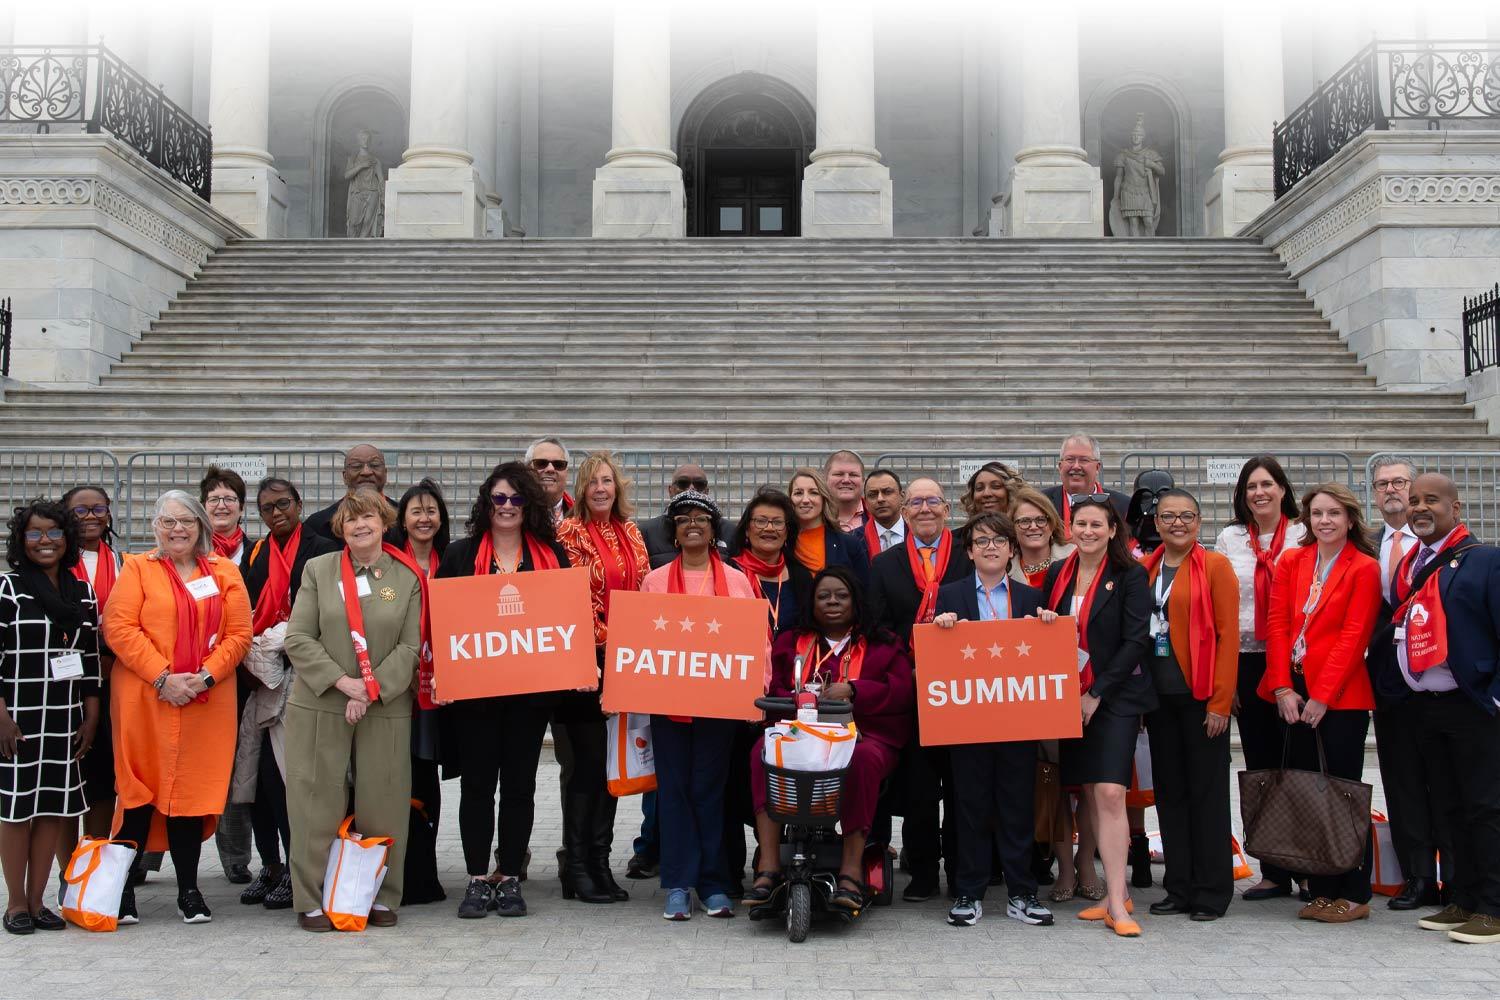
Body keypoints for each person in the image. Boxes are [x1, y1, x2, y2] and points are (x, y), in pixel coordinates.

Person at [101, 490, 253, 925]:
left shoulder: (223, 571)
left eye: (186, 521)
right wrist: (163, 678)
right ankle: (123, 889)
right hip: (145, 700)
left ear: (202, 526)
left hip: (206, 699)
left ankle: (189, 889)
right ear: (155, 527)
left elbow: (239, 634)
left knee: (189, 794)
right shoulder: (138, 569)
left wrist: (203, 678)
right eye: (168, 522)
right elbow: (119, 626)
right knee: (138, 792)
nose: (178, 530)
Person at [437, 462, 571, 920]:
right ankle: (477, 877)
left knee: (519, 789)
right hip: (475, 696)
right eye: (499, 498)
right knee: (476, 787)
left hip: (529, 698)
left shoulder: (552, 556)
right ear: (486, 503)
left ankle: (510, 875)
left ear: (529, 504)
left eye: (516, 499)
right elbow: (443, 623)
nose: (508, 507)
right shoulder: (460, 556)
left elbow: (565, 623)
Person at [283, 487, 421, 931]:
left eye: (370, 518)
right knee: (314, 799)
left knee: (385, 799)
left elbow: (411, 646)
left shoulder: (407, 576)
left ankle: (382, 893)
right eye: (351, 520)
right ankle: (309, 898)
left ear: (385, 524)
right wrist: (346, 685)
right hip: (322, 701)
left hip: (384, 704)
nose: (361, 525)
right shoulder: (319, 570)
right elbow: (298, 637)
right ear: (341, 528)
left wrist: (372, 689)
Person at [1375, 474, 1500, 944]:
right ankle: (1463, 898)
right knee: (1448, 807)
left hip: (1474, 706)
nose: (1420, 508)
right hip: (1426, 706)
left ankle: (1493, 905)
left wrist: (1494, 696)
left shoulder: (1485, 561)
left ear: (1456, 505)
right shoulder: (1410, 564)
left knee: (1485, 808)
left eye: (1431, 500)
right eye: (1414, 502)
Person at [746, 567, 912, 910]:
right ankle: (769, 863)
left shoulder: (883, 643)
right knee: (762, 750)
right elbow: (772, 687)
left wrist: (854, 690)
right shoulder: (791, 642)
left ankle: (851, 869)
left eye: (841, 595)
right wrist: (800, 695)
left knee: (863, 759)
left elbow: (902, 691)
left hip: (863, 737)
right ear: (812, 603)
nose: (832, 602)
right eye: (824, 596)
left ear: (856, 601)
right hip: (800, 733)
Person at [1260, 482, 1380, 924]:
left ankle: (1355, 890)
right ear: (1306, 520)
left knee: (1344, 794)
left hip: (1341, 698)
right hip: (1292, 690)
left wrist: (1323, 696)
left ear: (1350, 519)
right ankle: (1323, 888)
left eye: (1333, 513)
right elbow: (1274, 627)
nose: (1325, 521)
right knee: (1310, 795)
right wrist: (1281, 688)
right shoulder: (1293, 561)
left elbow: (1354, 637)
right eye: (1316, 514)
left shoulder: (1364, 568)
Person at [639, 491, 762, 920]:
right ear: (673, 530)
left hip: (719, 706)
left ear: (714, 531)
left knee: (710, 792)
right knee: (673, 791)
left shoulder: (738, 580)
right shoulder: (655, 581)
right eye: (684, 518)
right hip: (668, 704)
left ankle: (712, 882)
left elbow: (755, 642)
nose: (693, 524)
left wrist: (755, 693)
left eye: (702, 519)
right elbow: (641, 642)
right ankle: (676, 882)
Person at [932, 512, 1055, 928]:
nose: (990, 547)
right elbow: (934, 649)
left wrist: (1047, 626)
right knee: (969, 806)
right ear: (969, 551)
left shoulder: (1027, 598)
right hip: (968, 719)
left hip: (1016, 718)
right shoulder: (949, 596)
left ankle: (1022, 892)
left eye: (998, 541)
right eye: (981, 541)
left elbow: (1047, 651)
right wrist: (941, 626)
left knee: (1017, 805)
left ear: (1010, 550)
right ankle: (969, 890)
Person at [1042, 495, 1153, 937]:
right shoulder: (1057, 574)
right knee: (1087, 793)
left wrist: (1098, 693)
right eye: (1080, 524)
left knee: (1109, 792)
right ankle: (1115, 898)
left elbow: (1135, 641)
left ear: (1112, 531)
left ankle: (1118, 901)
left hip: (1115, 698)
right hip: (1066, 698)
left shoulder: (1130, 576)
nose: (1087, 531)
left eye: (1097, 525)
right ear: (1070, 529)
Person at [231, 477, 338, 912]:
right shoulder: (257, 553)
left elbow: (324, 611)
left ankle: (298, 870)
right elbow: (241, 608)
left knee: (288, 780)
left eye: (283, 504)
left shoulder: (322, 546)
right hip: (259, 675)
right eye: (267, 508)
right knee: (257, 779)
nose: (276, 513)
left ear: (299, 504)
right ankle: (270, 866)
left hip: (301, 674)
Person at [867, 478, 972, 902]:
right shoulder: (884, 564)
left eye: (933, 501)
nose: (924, 508)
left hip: (962, 692)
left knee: (963, 787)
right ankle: (924, 874)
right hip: (912, 691)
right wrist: (909, 663)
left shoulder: (969, 556)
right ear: (905, 513)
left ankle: (964, 872)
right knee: (921, 791)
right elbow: (877, 626)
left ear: (947, 509)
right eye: (916, 502)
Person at [1, 500, 100, 935]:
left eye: (54, 533)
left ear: (68, 539)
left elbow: (91, 659)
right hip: (16, 718)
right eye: (35, 534)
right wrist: (1, 718)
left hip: (64, 716)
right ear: (22, 541)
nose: (45, 541)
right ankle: (15, 903)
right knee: (16, 810)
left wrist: (91, 715)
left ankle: (41, 900)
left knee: (52, 810)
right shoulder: (7, 589)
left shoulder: (81, 591)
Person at [1140, 490, 1239, 921]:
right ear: (1156, 523)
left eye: (1186, 515)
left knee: (1207, 796)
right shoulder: (1146, 568)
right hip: (1159, 701)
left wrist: (1220, 703)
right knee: (1170, 797)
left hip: (1201, 701)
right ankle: (1178, 886)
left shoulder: (1215, 566)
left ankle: (1211, 891)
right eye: (1168, 517)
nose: (1177, 523)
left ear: (1199, 521)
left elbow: (1228, 637)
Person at [1211, 455, 1307, 902]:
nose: (1259, 493)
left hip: (1295, 661)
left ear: (1283, 489)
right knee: (1262, 767)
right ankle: (1273, 869)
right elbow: (1219, 609)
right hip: (1247, 659)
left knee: (1300, 764)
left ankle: (1309, 865)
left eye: (1267, 484)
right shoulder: (1230, 538)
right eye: (1251, 487)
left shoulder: (1305, 535)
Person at [555, 451, 648, 904]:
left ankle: (599, 861)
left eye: (607, 481)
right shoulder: (567, 532)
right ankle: (576, 866)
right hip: (585, 663)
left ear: (618, 487)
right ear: (581, 489)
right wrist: (612, 645)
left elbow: (644, 589)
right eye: (592, 481)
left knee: (608, 766)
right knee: (586, 767)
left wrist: (632, 646)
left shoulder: (631, 531)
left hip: (624, 661)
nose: (600, 489)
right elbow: (572, 598)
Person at [1364, 457, 1444, 911]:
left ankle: (1455, 873)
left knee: (1445, 781)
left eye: (1400, 483)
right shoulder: (1368, 546)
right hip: (1388, 682)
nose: (1392, 491)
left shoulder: (1439, 545)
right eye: (1383, 485)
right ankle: (1416, 876)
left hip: (1439, 681)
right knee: (1403, 780)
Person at [53, 486, 120, 880]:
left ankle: (94, 867)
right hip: (64, 685)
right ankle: (67, 873)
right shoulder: (54, 565)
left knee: (102, 779)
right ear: (65, 515)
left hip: (112, 681)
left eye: (98, 509)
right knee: (67, 778)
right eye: (80, 510)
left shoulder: (125, 562)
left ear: (109, 515)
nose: (91, 516)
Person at [392, 478, 450, 906]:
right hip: (400, 687)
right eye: (416, 511)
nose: (424, 518)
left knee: (427, 777)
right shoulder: (390, 564)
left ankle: (425, 872)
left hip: (444, 687)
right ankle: (402, 872)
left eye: (431, 511)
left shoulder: (456, 560)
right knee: (401, 775)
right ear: (403, 520)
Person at [198, 466, 255, 885]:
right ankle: (147, 858)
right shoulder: (185, 550)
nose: (222, 505)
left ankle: (235, 856)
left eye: (229, 498)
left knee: (236, 764)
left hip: (242, 673)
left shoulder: (258, 552)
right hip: (188, 675)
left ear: (240, 506)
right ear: (203, 507)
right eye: (214, 498)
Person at [729, 487, 811, 635]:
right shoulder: (729, 572)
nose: (769, 528)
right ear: (747, 530)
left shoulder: (801, 576)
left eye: (778, 522)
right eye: (761, 521)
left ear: (787, 532)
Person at [640, 464, 729, 570]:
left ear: (707, 491)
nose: (691, 489)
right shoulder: (645, 532)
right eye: (683, 483)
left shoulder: (729, 531)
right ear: (670, 490)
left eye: (699, 484)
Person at [787, 469, 870, 583]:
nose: (805, 500)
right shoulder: (783, 544)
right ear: (790, 499)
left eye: (813, 492)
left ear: (824, 498)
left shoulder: (849, 544)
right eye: (798, 493)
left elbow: (865, 591)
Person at [304, 445, 400, 543]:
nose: (366, 472)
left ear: (385, 473)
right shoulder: (318, 524)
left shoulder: (404, 518)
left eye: (374, 465)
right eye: (356, 466)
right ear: (345, 476)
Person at [1040, 433, 1131, 534]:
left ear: (1097, 467)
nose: (1076, 466)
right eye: (1070, 459)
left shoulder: (1123, 506)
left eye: (1084, 460)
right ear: (1060, 466)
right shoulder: (1041, 503)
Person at [1010, 486, 1073, 589]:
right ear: (1013, 527)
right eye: (1025, 521)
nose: (1033, 527)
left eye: (1041, 520)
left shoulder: (1074, 558)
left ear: (1052, 524)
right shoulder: (1004, 568)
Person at [526, 437, 574, 522]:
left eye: (558, 464)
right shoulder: (511, 512)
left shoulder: (582, 515)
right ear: (527, 469)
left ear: (567, 472)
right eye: (541, 463)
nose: (550, 469)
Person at [861, 469, 906, 555]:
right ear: (866, 502)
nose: (880, 499)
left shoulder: (918, 534)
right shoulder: (855, 539)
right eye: (872, 495)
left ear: (902, 497)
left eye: (887, 492)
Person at [824, 450, 868, 532]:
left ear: (863, 481)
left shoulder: (877, 517)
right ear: (825, 479)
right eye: (839, 474)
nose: (846, 480)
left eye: (853, 475)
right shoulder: (811, 518)